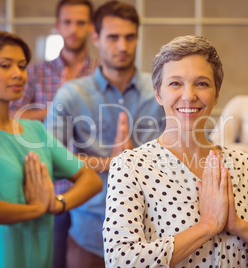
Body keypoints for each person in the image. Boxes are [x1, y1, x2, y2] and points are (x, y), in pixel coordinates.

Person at [103, 35, 248, 267]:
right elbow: (120, 261)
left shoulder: (247, 167)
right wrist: (206, 225)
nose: (189, 96)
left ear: (216, 94)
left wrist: (239, 226)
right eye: (175, 83)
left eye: (202, 83)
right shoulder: (130, 167)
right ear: (158, 93)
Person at [0, 31, 102, 268]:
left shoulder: (34, 132)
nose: (18, 74)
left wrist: (57, 203)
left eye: (21, 66)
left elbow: (90, 180)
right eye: (5, 65)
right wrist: (36, 209)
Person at [45, 1, 165, 267]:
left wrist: (135, 161)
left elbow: (182, 154)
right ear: (96, 38)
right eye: (113, 37)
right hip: (89, 234)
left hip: (154, 234)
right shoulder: (71, 94)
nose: (122, 46)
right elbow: (50, 159)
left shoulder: (162, 92)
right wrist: (110, 163)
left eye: (129, 37)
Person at [9, 1, 98, 266]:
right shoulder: (35, 73)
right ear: (57, 25)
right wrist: (55, 107)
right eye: (68, 22)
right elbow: (11, 116)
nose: (73, 29)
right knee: (52, 260)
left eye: (81, 22)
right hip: (49, 186)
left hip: (93, 189)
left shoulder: (101, 74)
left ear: (91, 27)